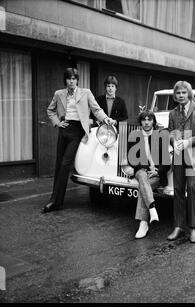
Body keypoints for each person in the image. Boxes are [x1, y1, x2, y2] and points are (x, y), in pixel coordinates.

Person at [42, 67, 116, 213]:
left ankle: (56, 201)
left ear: (77, 80)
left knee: (65, 164)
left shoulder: (86, 93)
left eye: (74, 78)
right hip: (64, 129)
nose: (72, 81)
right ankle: (56, 201)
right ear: (66, 80)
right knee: (58, 166)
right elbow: (50, 110)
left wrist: (106, 119)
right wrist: (57, 122)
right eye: (69, 78)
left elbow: (96, 109)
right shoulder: (59, 94)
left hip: (77, 132)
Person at [167, 81, 195, 243]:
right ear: (175, 95)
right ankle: (178, 226)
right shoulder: (173, 113)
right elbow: (171, 132)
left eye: (184, 93)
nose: (181, 96)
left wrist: (187, 141)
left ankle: (193, 228)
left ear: (189, 94)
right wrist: (174, 142)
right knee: (178, 189)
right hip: (179, 155)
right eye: (178, 93)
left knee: (192, 189)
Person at [128, 110, 170, 239]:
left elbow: (167, 162)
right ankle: (151, 210)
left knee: (142, 187)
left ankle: (144, 223)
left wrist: (157, 171)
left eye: (149, 119)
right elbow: (131, 159)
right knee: (142, 176)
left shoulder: (160, 137)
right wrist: (145, 169)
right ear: (140, 122)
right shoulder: (134, 136)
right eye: (144, 119)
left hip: (155, 175)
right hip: (141, 170)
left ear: (153, 121)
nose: (146, 122)